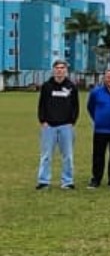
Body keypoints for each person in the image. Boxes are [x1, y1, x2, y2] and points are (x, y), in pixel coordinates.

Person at [37, 59, 79, 190]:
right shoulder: (46, 86)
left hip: (66, 126)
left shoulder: (71, 86)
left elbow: (75, 106)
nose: (59, 70)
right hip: (48, 126)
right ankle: (44, 181)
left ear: (66, 71)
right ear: (53, 70)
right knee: (46, 156)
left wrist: (72, 121)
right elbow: (41, 105)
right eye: (57, 68)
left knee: (67, 155)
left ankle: (67, 181)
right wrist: (43, 120)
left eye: (62, 68)